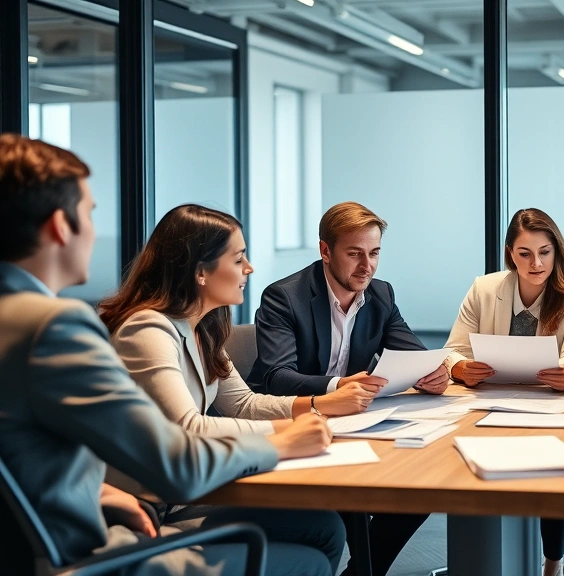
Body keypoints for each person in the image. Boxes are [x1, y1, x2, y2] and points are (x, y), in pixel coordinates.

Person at [0, 133, 340, 576]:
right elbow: (179, 464)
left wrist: (98, 491)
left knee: (321, 527)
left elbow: (21, 455)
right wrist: (278, 445)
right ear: (59, 227)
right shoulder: (54, 326)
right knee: (309, 561)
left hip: (52, 539)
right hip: (92, 555)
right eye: (90, 213)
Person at [99, 204, 397, 575]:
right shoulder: (147, 330)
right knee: (312, 554)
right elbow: (188, 428)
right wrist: (289, 433)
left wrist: (318, 406)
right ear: (201, 271)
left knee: (327, 528)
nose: (249, 268)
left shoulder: (203, 328)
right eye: (239, 258)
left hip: (190, 490)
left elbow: (242, 403)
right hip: (148, 510)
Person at [250, 200, 443, 576]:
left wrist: (432, 373)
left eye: (374, 253)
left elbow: (415, 354)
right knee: (354, 490)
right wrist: (337, 386)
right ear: (325, 251)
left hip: (353, 420)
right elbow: (276, 377)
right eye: (354, 254)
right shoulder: (284, 297)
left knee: (422, 488)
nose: (366, 266)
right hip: (292, 419)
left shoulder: (381, 294)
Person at [442, 208, 564, 576]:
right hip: (485, 400)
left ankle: (553, 561)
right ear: (511, 253)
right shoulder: (484, 288)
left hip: (546, 402)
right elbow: (452, 349)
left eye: (544, 251)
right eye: (524, 253)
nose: (535, 262)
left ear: (556, 251)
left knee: (555, 467)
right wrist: (460, 368)